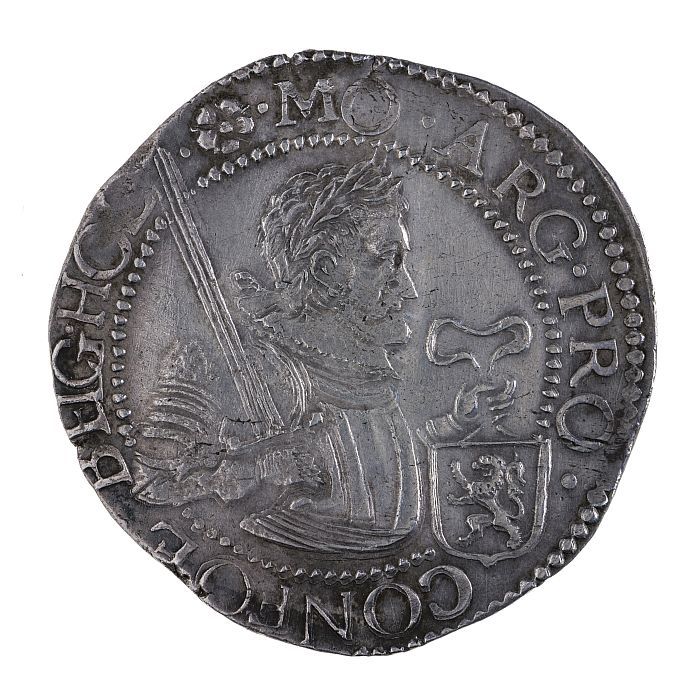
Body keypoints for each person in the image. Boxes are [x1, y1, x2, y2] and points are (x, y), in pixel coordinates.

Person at [133, 157, 421, 553]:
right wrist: (252, 466)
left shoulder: (369, 382)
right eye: (387, 259)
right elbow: (151, 485)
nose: (409, 288)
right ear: (325, 269)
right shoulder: (225, 371)